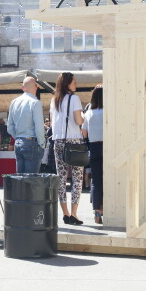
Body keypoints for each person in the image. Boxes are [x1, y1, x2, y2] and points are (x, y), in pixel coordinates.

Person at [50, 72, 85, 226]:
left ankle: (65, 213)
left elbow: (52, 123)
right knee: (77, 179)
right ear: (67, 84)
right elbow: (78, 120)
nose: (76, 84)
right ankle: (74, 214)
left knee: (61, 178)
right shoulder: (75, 99)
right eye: (74, 82)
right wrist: (84, 116)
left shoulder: (54, 100)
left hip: (58, 141)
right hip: (74, 141)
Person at [7, 76, 46, 173]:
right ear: (36, 87)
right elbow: (39, 128)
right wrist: (42, 144)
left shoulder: (14, 102)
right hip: (32, 142)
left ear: (23, 88)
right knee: (31, 181)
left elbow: (10, 127)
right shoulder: (36, 103)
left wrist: (18, 137)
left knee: (20, 180)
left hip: (19, 142)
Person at [82, 85, 104, 224]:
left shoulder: (89, 113)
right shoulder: (108, 112)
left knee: (96, 181)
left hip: (94, 147)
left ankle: (97, 212)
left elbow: (84, 133)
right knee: (109, 180)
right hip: (107, 147)